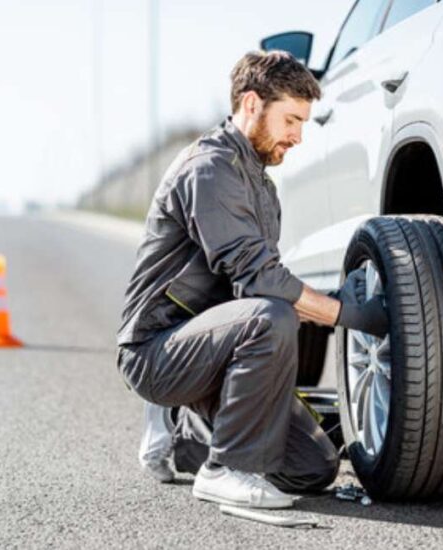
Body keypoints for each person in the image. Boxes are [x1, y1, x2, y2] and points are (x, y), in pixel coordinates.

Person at [116, 50, 388, 509]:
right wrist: (345, 314)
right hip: (155, 349)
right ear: (250, 104)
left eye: (303, 123)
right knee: (269, 317)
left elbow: (253, 286)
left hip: (211, 348)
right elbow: (260, 284)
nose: (298, 136)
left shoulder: (262, 187)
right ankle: (226, 470)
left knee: (312, 468)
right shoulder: (210, 169)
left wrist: (328, 301)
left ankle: (186, 436)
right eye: (290, 120)